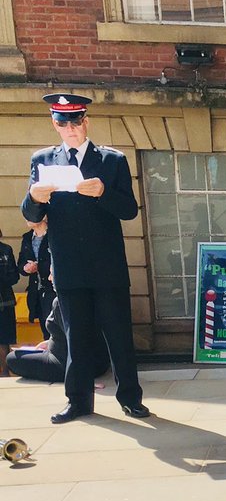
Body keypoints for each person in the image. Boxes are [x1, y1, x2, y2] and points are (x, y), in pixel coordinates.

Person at [21, 93, 148, 424]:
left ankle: (131, 398)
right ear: (55, 124)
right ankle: (77, 401)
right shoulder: (43, 160)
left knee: (119, 335)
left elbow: (130, 210)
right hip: (68, 266)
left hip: (107, 266)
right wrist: (33, 197)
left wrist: (104, 192)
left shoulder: (111, 160)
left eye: (76, 121)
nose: (70, 128)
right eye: (63, 122)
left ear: (86, 121)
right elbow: (31, 214)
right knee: (75, 338)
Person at [5, 297, 107, 383]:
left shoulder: (62, 302)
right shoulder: (93, 297)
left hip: (66, 364)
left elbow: (78, 340)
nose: (49, 278)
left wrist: (84, 381)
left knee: (12, 358)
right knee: (20, 353)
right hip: (95, 362)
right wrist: (49, 342)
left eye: (51, 274)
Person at [19, 218, 54, 338]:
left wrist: (40, 266)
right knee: (44, 328)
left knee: (55, 329)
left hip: (52, 289)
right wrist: (26, 268)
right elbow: (21, 263)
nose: (26, 218)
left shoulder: (54, 234)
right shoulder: (27, 238)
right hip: (36, 291)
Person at [0, 227, 17, 376]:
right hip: (5, 300)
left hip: (5, 301)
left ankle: (5, 373)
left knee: (4, 339)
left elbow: (14, 276)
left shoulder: (5, 250)